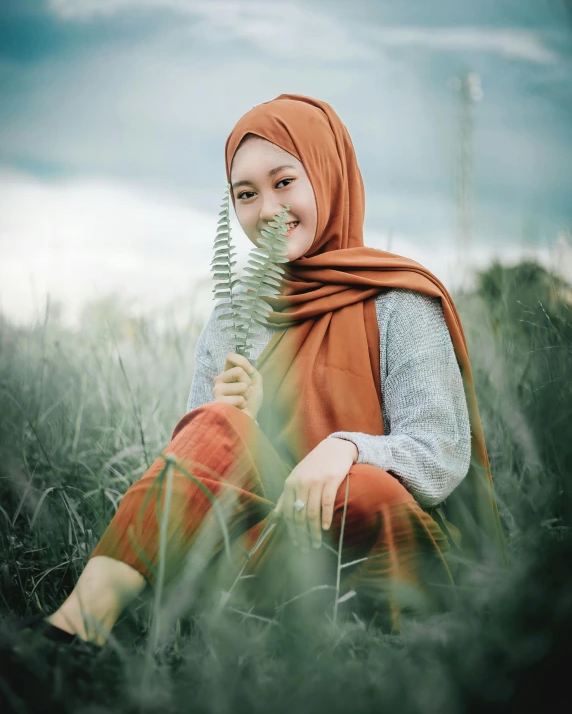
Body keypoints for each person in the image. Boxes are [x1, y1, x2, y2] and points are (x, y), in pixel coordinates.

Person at [20, 94, 507, 647]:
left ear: (327, 173)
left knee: (362, 485)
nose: (268, 210)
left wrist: (346, 449)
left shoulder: (397, 299)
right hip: (279, 549)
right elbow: (189, 477)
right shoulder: (236, 313)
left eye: (284, 182)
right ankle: (76, 629)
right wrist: (237, 420)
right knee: (218, 425)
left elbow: (441, 452)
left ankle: (387, 648)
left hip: (385, 544)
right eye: (245, 194)